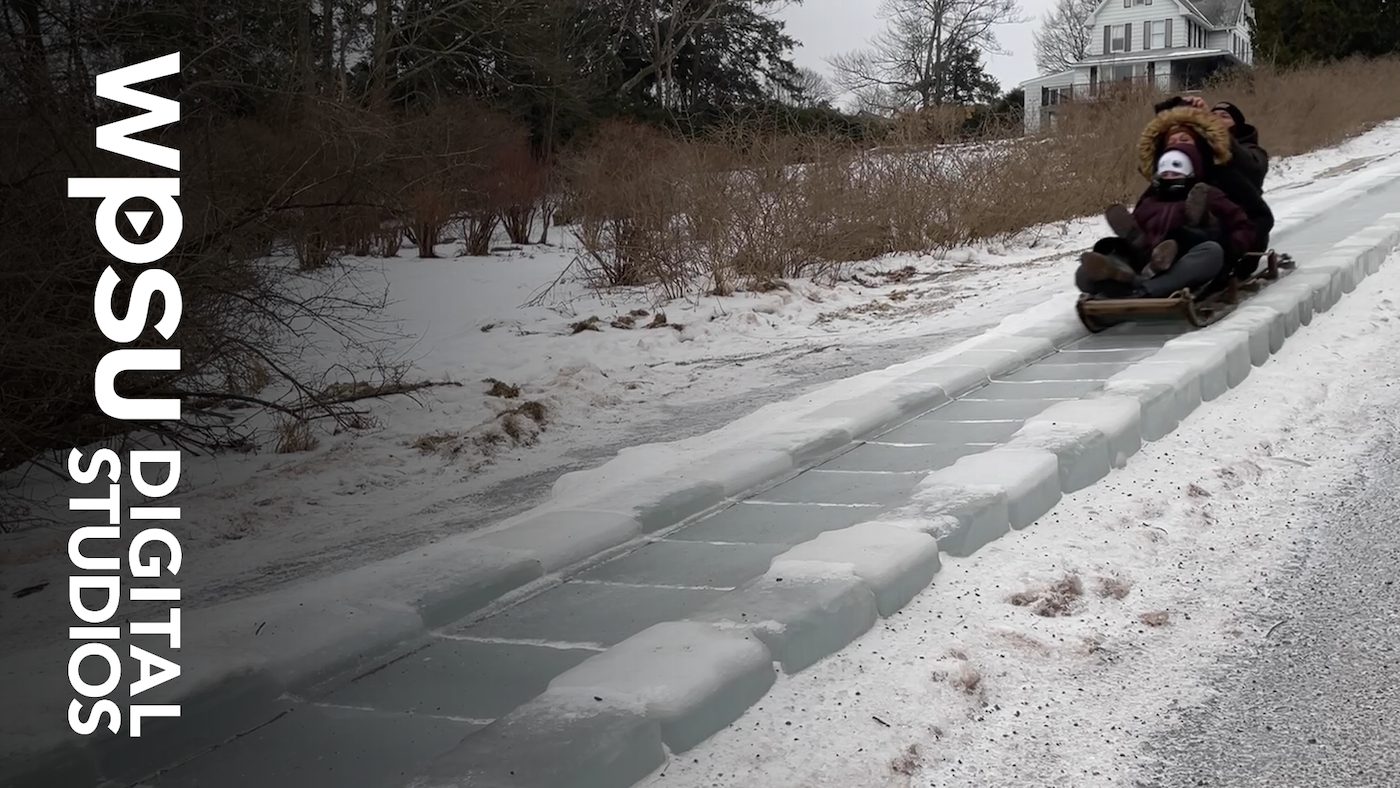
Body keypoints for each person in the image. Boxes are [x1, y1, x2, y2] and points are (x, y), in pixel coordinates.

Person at [1076, 142, 1255, 299]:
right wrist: (1134, 239)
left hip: (1183, 261)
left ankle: (1144, 285)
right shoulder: (1150, 199)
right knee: (1084, 273)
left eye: (1177, 170)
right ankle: (1127, 275)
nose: (1170, 175)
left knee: (1213, 251)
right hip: (1142, 260)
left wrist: (1229, 250)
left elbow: (1242, 226)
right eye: (1165, 170)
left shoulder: (1208, 194)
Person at [1139, 103, 1273, 277]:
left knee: (1200, 239)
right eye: (1171, 142)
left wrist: (1233, 247)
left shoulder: (1225, 173)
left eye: (1185, 140)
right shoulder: (1162, 182)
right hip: (1160, 250)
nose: (1178, 146)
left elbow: (1259, 213)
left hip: (1218, 247)